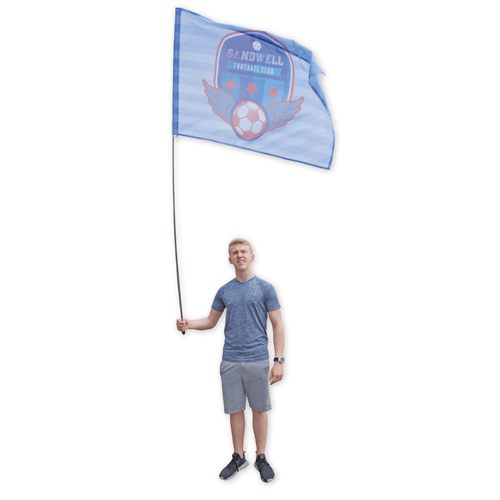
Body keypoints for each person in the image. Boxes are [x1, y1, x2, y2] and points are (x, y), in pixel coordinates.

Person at [176, 238, 285, 483]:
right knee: (235, 410)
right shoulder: (225, 290)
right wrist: (188, 324)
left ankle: (261, 457)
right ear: (230, 259)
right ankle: (239, 457)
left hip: (258, 359)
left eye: (243, 251)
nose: (239, 255)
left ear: (252, 256)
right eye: (235, 252)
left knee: (259, 409)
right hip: (230, 360)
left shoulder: (266, 288)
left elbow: (278, 325)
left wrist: (279, 360)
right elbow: (211, 321)